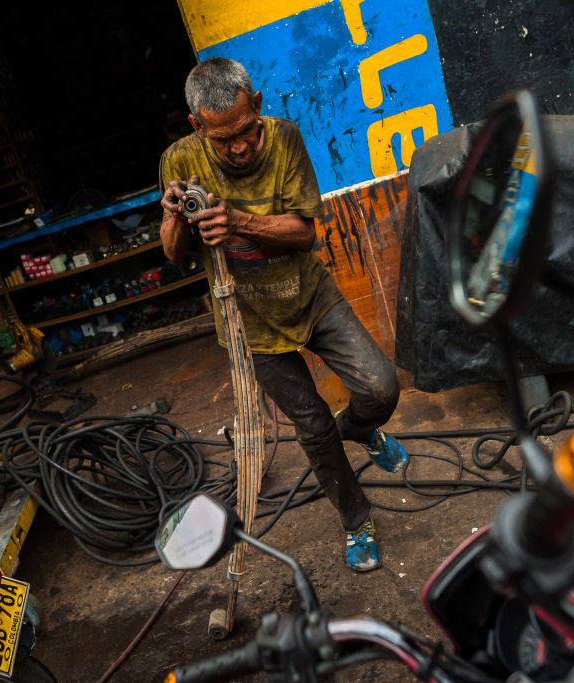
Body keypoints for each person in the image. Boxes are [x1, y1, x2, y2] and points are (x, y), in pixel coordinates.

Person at [157, 57, 408, 572]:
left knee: (380, 388)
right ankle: (356, 520)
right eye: (222, 139)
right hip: (250, 323)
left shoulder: (286, 138)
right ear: (197, 126)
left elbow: (306, 232)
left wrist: (239, 220)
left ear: (258, 106)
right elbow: (173, 253)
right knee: (313, 429)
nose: (239, 146)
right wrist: (174, 213)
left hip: (310, 296)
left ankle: (361, 429)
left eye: (246, 131)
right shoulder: (178, 159)